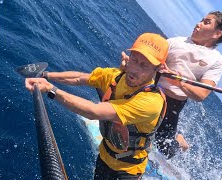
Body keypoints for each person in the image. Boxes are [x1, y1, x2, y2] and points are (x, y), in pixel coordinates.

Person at [25, 32, 169, 179]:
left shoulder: (151, 102)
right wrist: (46, 76)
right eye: (134, 59)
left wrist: (50, 90)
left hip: (127, 172)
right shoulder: (116, 76)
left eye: (144, 65)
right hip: (104, 157)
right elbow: (80, 78)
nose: (134, 69)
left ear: (156, 70)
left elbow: (94, 111)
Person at [120, 3, 222, 159]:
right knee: (135, 125)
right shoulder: (175, 42)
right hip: (151, 91)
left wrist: (179, 81)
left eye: (206, 22)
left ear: (217, 33)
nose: (198, 24)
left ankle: (179, 140)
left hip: (173, 104)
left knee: (165, 150)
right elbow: (148, 64)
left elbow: (201, 95)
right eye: (201, 20)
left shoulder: (217, 60)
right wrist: (129, 66)